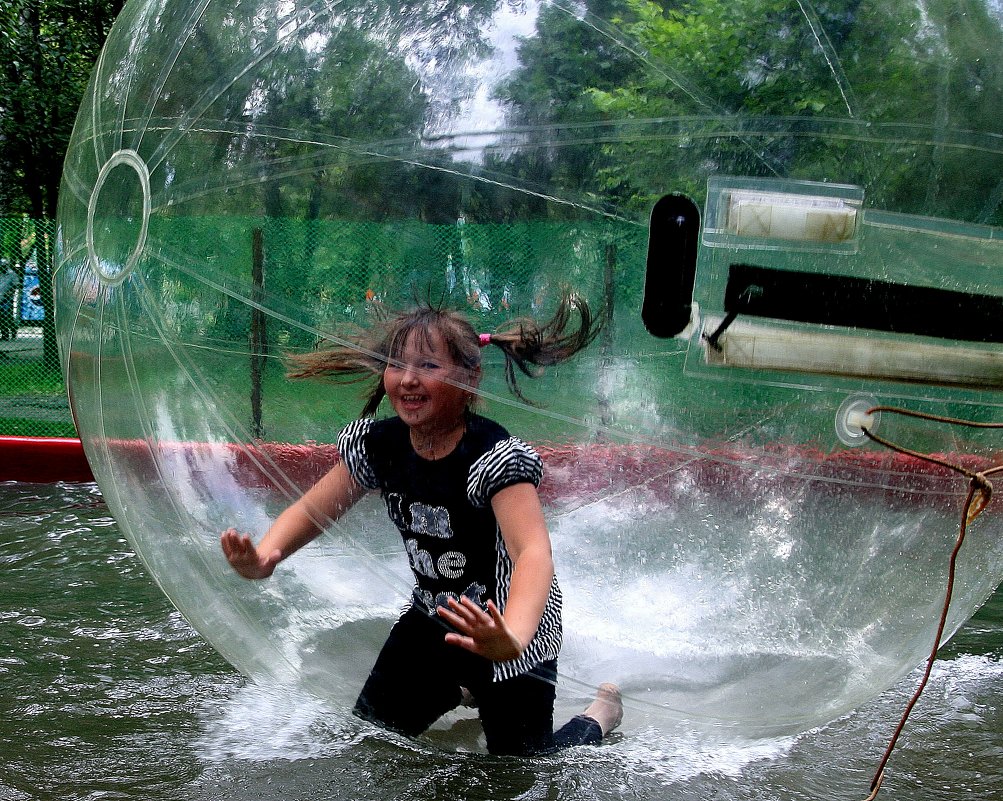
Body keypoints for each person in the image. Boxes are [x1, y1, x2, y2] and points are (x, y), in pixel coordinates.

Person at [221, 295, 622, 755]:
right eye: (396, 365)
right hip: (435, 617)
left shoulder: (492, 459)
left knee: (520, 771)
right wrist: (268, 556)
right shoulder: (379, 446)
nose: (408, 379)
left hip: (510, 635)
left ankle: (597, 717)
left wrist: (511, 635)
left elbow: (532, 552)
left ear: (470, 378)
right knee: (373, 742)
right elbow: (314, 510)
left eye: (428, 365)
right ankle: (462, 687)